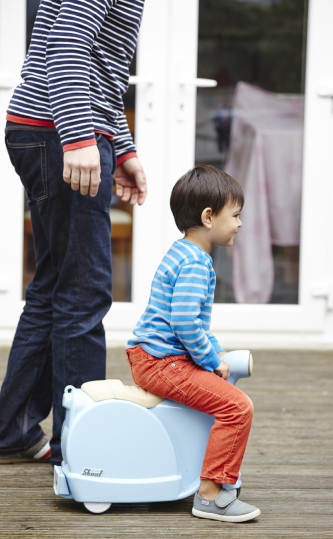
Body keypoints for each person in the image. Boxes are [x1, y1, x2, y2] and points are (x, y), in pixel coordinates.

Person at [0, 0, 147, 466]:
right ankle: (83, 450)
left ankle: (13, 429)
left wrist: (121, 148)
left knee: (55, 287)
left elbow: (100, 70)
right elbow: (66, 49)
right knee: (83, 293)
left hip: (45, 127)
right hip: (58, 131)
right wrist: (81, 137)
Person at [126, 165, 260, 523]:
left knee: (225, 399)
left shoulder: (183, 253)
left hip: (155, 357)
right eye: (235, 215)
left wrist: (212, 348)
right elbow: (184, 323)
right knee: (237, 407)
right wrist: (210, 359)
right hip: (161, 362)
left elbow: (194, 321)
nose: (239, 224)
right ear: (208, 216)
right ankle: (210, 495)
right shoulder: (196, 264)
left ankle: (214, 479)